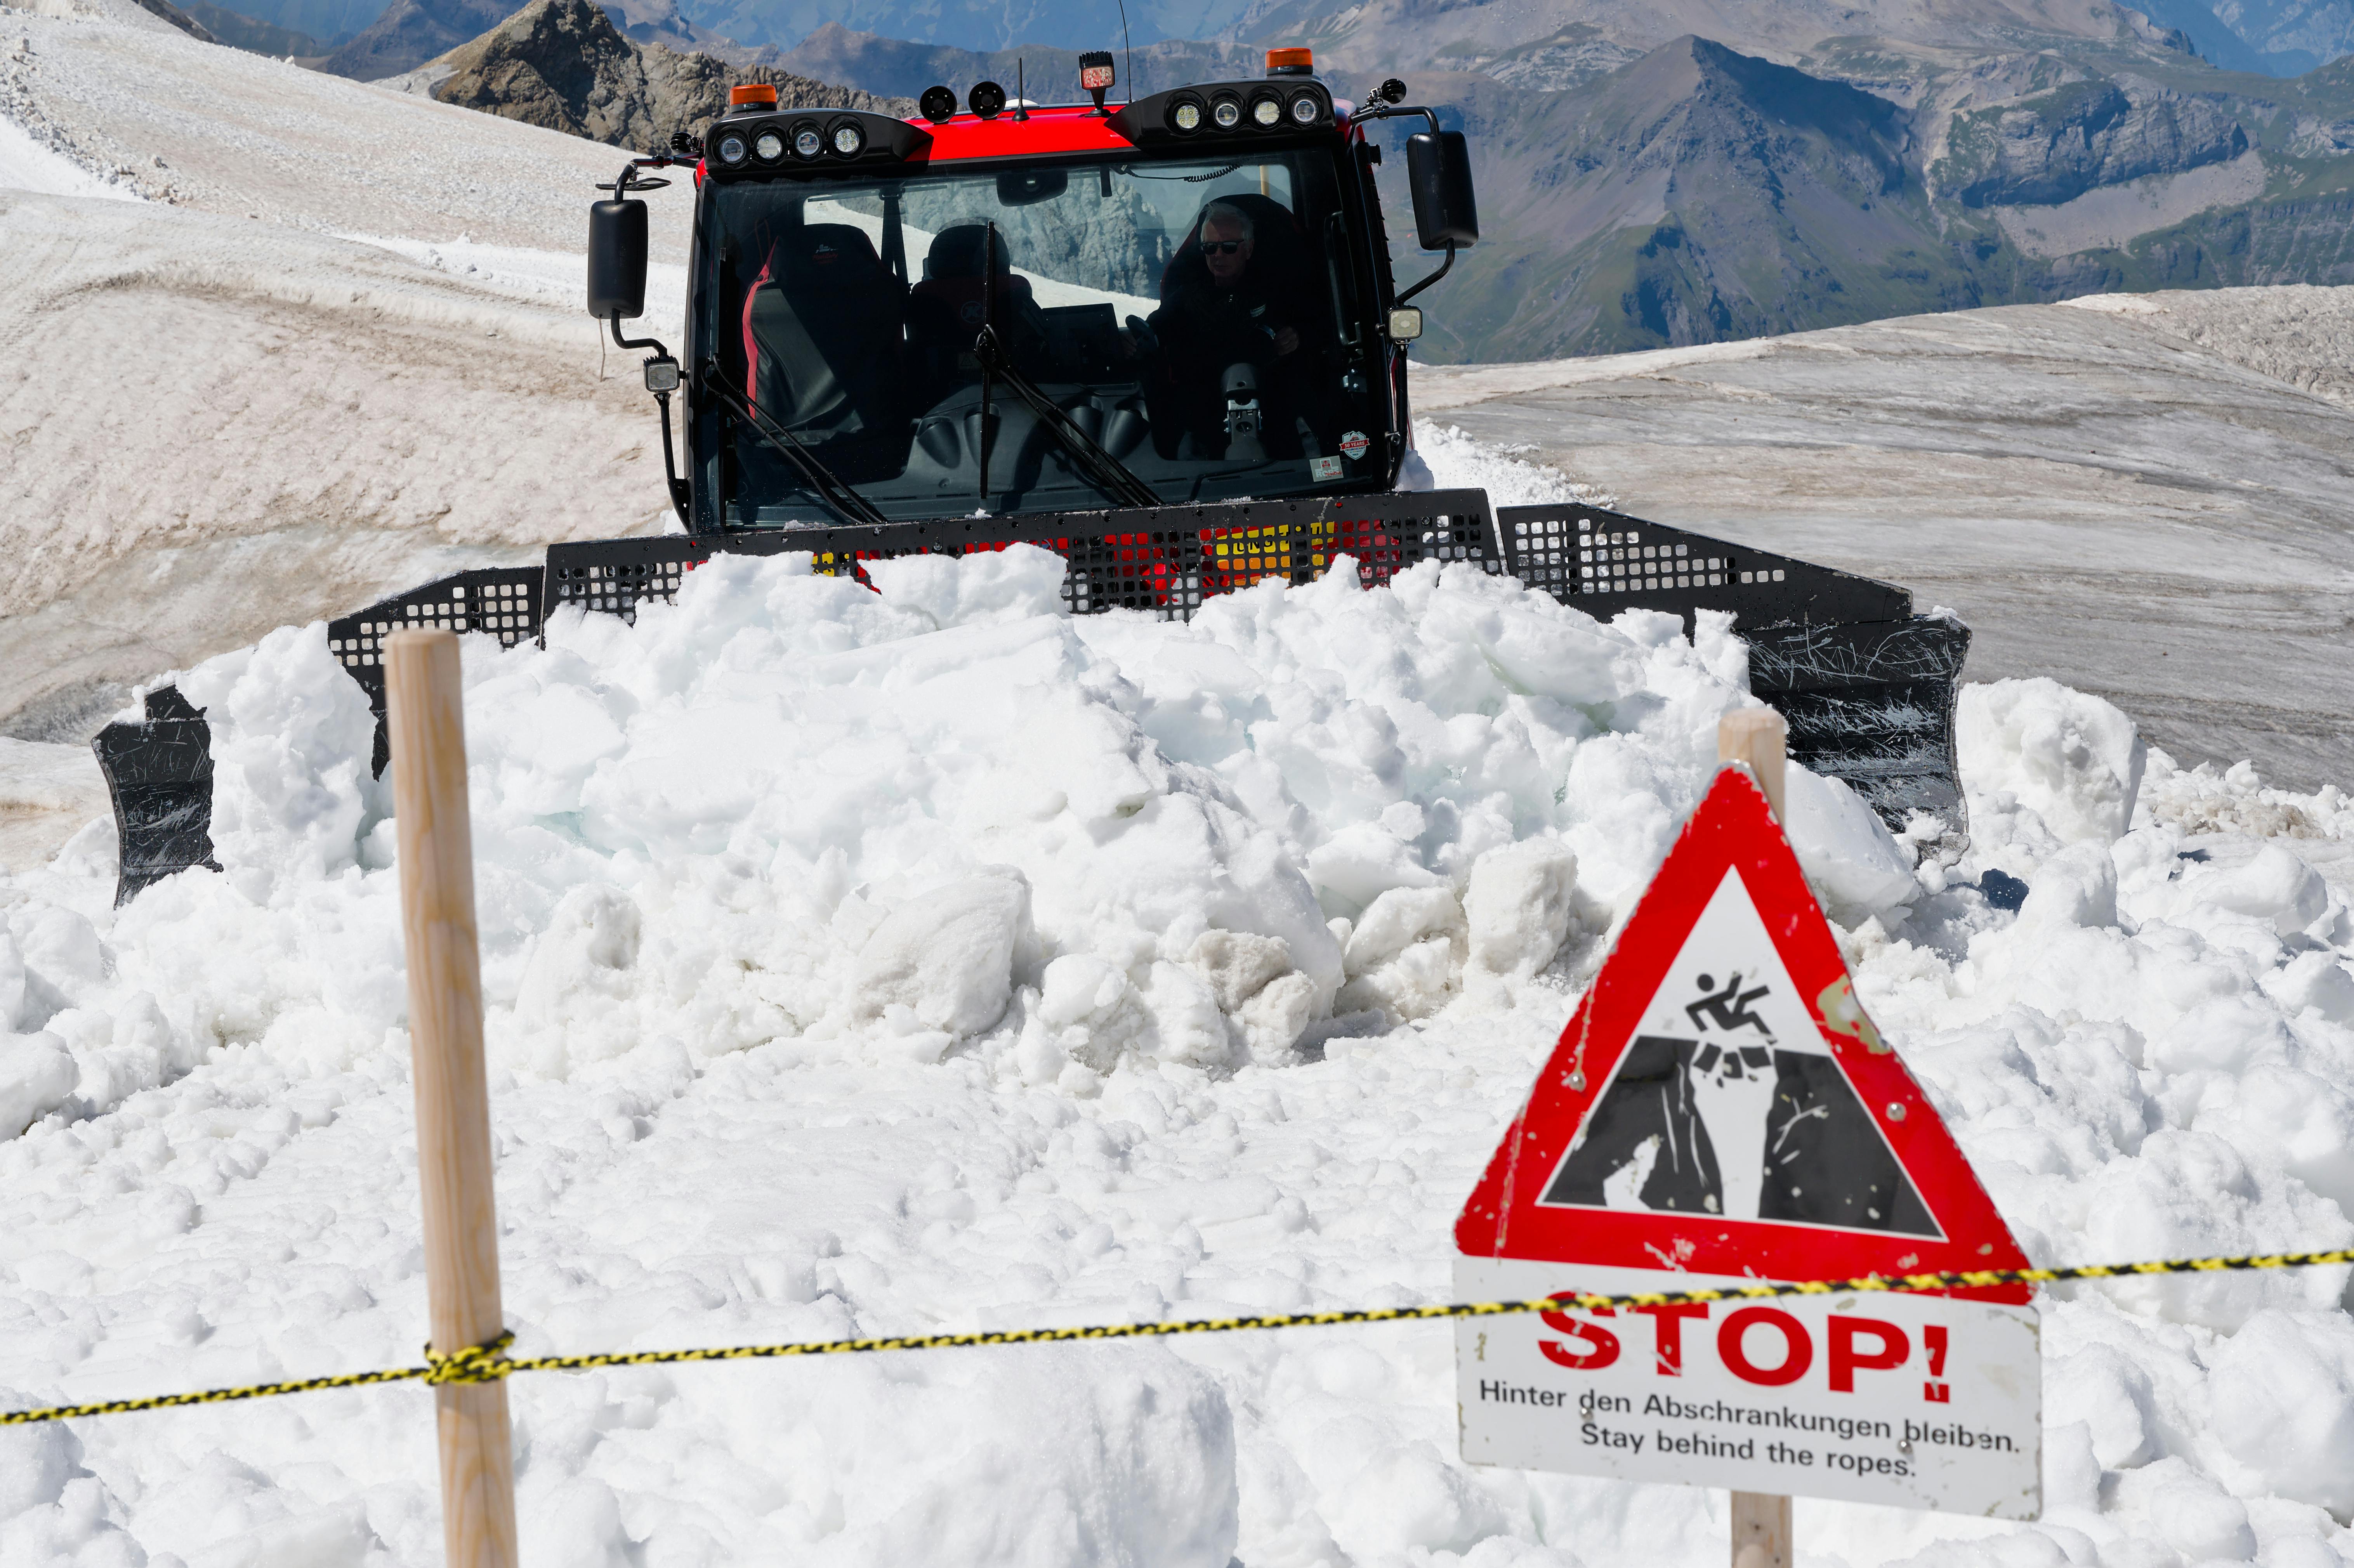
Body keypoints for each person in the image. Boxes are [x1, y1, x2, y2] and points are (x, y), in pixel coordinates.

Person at [1146, 198, 1330, 461]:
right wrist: (1136, 339)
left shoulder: (1277, 290)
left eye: (1229, 247)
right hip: (1205, 412)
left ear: (1250, 248)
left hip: (1279, 407)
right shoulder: (1189, 295)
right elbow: (1158, 326)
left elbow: (1320, 325)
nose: (1218, 256)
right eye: (1210, 248)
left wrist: (1298, 336)